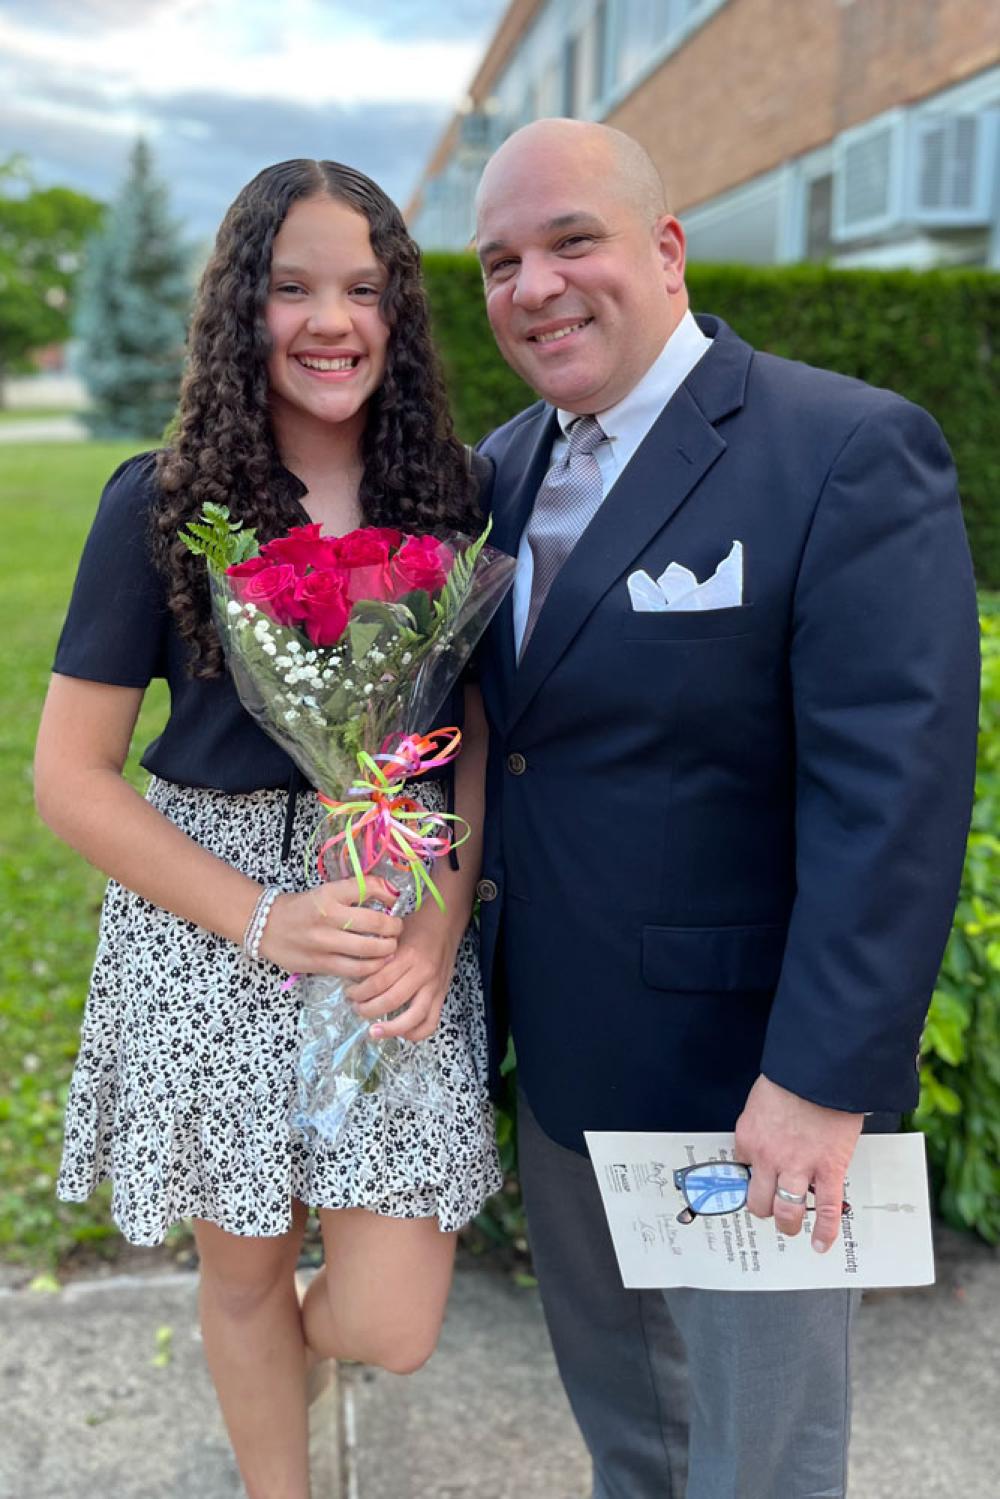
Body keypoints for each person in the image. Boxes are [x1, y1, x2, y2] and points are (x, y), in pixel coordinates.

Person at [472, 118, 980, 1499]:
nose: (534, 287)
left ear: (667, 247)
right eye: (500, 260)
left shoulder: (846, 450)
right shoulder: (498, 470)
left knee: (761, 1462)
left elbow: (896, 790)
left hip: (748, 1089)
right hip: (564, 1066)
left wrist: (822, 1082)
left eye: (571, 241)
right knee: (628, 1434)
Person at [34, 159, 500, 1499]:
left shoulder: (452, 495)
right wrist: (257, 914)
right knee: (242, 1268)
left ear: (399, 314)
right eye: (290, 287)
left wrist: (442, 916)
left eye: (362, 289)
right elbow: (70, 777)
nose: (329, 320)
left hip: (386, 919)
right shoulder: (163, 502)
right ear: (241, 307)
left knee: (394, 1322)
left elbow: (468, 746)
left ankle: (273, 1398)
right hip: (215, 921)